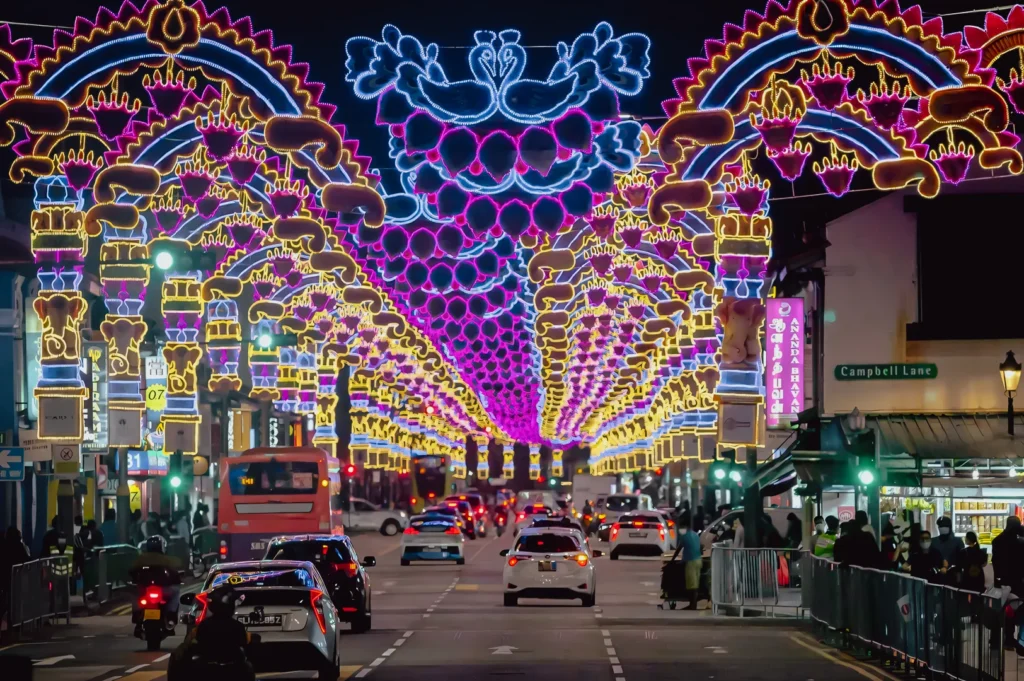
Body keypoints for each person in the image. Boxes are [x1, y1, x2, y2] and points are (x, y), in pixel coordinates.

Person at [675, 518, 702, 609]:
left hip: (691, 562)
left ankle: (692, 605)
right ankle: (693, 604)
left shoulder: (685, 536)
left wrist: (672, 560)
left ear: (685, 527)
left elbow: (678, 549)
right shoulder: (696, 535)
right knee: (696, 583)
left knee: (691, 585)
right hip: (699, 561)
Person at [992, 516, 1024, 591]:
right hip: (1017, 578)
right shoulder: (1019, 542)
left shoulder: (997, 540)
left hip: (1003, 578)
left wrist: (997, 580)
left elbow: (995, 562)